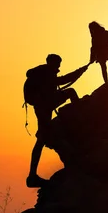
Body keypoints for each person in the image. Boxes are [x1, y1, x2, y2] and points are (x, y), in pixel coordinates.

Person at [24, 54, 88, 188]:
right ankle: (80, 117)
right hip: (45, 105)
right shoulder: (47, 73)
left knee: (41, 139)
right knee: (70, 92)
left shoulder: (42, 72)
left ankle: (32, 176)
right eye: (58, 64)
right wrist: (80, 71)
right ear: (54, 63)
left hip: (42, 105)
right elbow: (62, 81)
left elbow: (58, 83)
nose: (59, 66)